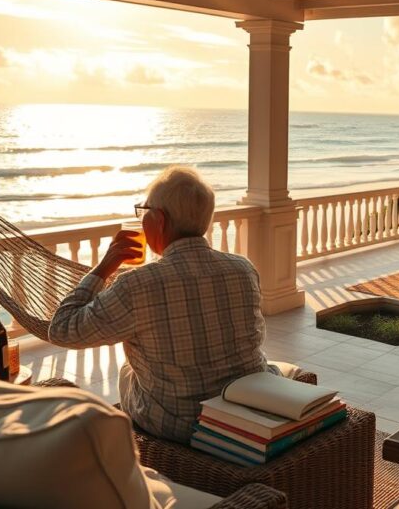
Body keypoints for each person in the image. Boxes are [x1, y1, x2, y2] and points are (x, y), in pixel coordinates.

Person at [49, 166, 287, 443]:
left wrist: (103, 268)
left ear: (159, 220)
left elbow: (62, 329)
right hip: (250, 404)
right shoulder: (243, 268)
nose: (141, 219)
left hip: (182, 423)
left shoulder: (136, 285)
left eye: (143, 211)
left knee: (129, 371)